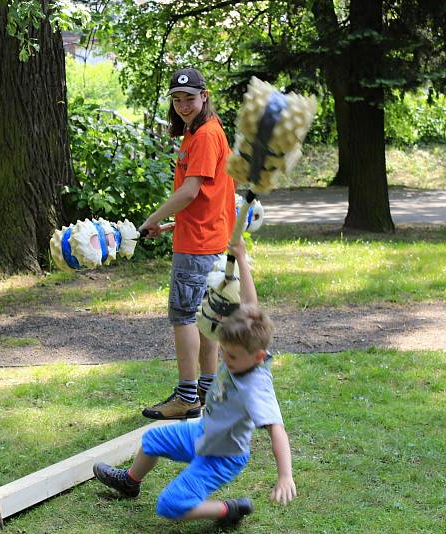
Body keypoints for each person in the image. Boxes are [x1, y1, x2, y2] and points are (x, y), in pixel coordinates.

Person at [93, 238, 296, 526]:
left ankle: (229, 510)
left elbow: (277, 431)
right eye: (223, 351)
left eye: (233, 357)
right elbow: (251, 305)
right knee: (152, 440)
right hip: (202, 432)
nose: (225, 359)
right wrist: (240, 256)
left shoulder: (256, 386)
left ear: (259, 356)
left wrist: (285, 475)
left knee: (170, 504)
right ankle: (130, 482)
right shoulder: (245, 343)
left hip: (222, 456)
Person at [138, 67, 236, 420]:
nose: (183, 105)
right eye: (177, 99)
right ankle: (208, 391)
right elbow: (206, 199)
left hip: (199, 246)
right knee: (206, 318)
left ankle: (186, 397)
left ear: (204, 96)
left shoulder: (206, 135)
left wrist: (150, 218)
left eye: (190, 98)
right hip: (206, 239)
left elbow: (190, 190)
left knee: (184, 318)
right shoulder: (197, 133)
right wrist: (167, 226)